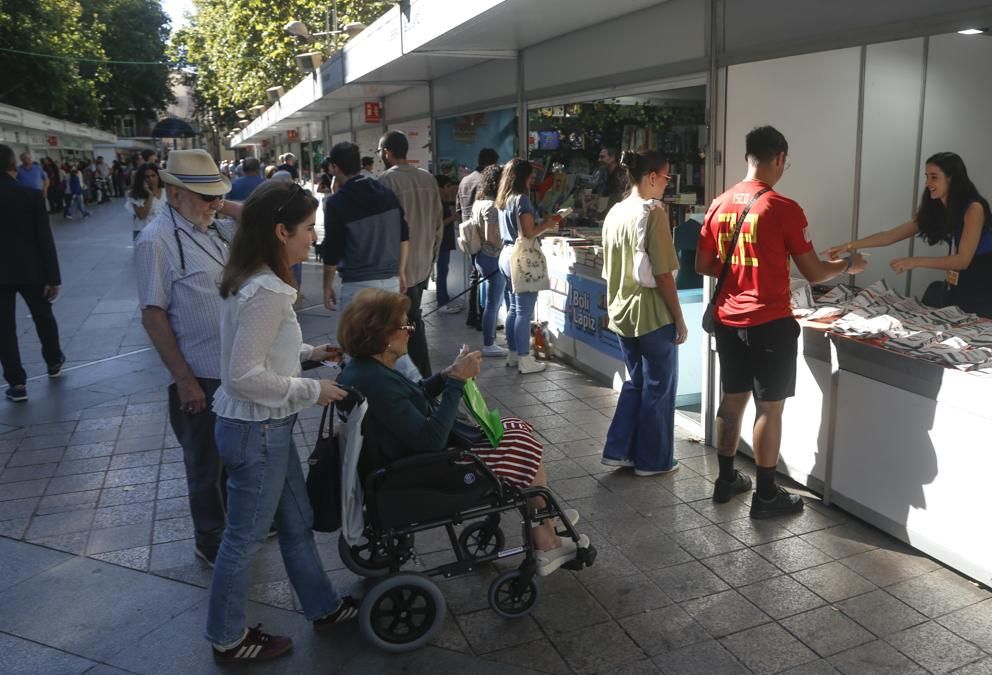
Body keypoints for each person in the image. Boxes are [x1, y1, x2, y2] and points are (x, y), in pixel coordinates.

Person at [205, 181, 357, 663]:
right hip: (259, 432)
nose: (314, 236)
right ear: (280, 231)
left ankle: (323, 607)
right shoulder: (268, 290)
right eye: (308, 228)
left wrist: (311, 354)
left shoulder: (252, 277)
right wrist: (313, 390)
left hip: (266, 428)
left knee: (296, 522)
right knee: (244, 538)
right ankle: (228, 639)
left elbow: (261, 351)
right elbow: (243, 376)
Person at [336, 289, 588, 574]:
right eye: (405, 327)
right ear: (383, 336)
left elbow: (412, 397)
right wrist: (456, 382)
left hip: (409, 457)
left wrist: (446, 375)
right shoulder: (378, 382)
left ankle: (545, 520)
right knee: (520, 443)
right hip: (426, 467)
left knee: (516, 429)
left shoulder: (366, 370)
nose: (411, 332)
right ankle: (546, 539)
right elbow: (431, 440)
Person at [697, 126, 866, 519]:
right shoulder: (783, 207)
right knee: (769, 409)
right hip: (769, 322)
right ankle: (767, 495)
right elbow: (814, 272)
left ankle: (726, 480)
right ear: (779, 158)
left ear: (747, 157)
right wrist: (847, 264)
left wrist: (741, 271)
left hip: (728, 319)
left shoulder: (719, 204)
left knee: (732, 398)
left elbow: (704, 264)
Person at [134, 149, 237, 566]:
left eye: (217, 195)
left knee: (231, 458)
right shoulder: (156, 240)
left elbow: (262, 216)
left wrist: (216, 202)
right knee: (204, 465)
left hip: (233, 370)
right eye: (205, 196)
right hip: (201, 374)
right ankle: (210, 539)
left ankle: (233, 528)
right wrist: (185, 380)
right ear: (174, 193)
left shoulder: (213, 227)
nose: (214, 204)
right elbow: (153, 315)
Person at [825, 152, 992, 322]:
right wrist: (849, 245)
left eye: (934, 177)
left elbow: (962, 260)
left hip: (988, 284)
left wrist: (915, 261)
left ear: (952, 178)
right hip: (961, 283)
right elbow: (889, 236)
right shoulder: (936, 209)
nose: (928, 183)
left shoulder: (974, 208)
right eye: (927, 177)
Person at [600, 150, 687, 477]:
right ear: (652, 177)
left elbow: (609, 269)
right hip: (652, 314)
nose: (667, 183)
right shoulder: (653, 213)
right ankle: (654, 460)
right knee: (659, 388)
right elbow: (663, 274)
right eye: (666, 177)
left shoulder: (615, 212)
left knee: (637, 382)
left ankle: (619, 450)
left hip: (622, 311)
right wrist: (679, 318)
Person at [0, 144, 66, 402]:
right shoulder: (31, 196)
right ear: (14, 167)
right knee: (43, 316)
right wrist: (53, 277)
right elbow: (44, 239)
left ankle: (17, 383)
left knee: (4, 328)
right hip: (32, 269)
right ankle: (53, 361)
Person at [377, 130, 441, 377]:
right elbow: (438, 225)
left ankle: (415, 377)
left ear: (387, 152)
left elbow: (384, 230)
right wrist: (432, 259)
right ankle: (423, 376)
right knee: (413, 319)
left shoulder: (386, 181)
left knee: (401, 324)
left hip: (399, 269)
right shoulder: (428, 179)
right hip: (422, 263)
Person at [496, 158, 568, 375]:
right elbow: (529, 232)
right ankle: (524, 358)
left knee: (514, 309)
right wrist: (549, 223)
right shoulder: (522, 200)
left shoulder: (504, 199)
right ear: (523, 177)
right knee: (524, 311)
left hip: (506, 255)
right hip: (522, 258)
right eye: (531, 174)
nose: (534, 177)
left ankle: (513, 354)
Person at [320, 142, 408, 313]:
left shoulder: (337, 202)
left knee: (356, 331)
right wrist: (401, 271)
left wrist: (327, 286)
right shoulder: (387, 194)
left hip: (358, 287)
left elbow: (332, 250)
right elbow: (404, 236)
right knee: (388, 330)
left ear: (334, 167)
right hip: (391, 283)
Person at [459, 148, 500, 329]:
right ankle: (483, 317)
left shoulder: (465, 180)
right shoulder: (485, 182)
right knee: (483, 279)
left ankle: (473, 315)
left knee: (475, 275)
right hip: (484, 235)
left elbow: (458, 208)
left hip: (469, 234)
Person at [470, 165, 507, 357]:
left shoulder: (479, 202)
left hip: (481, 256)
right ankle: (489, 343)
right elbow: (490, 236)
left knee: (489, 303)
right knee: (494, 304)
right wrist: (507, 246)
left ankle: (489, 340)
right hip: (493, 257)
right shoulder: (492, 206)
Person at [434, 174, 463, 313]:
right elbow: (438, 224)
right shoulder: (437, 202)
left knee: (443, 270)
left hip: (445, 241)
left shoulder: (442, 201)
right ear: (441, 187)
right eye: (448, 186)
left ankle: (444, 298)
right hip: (442, 241)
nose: (450, 189)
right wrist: (454, 217)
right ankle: (442, 301)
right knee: (442, 271)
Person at [126, 163, 164, 241]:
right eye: (147, 177)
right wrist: (150, 195)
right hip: (144, 234)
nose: (151, 179)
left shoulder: (166, 192)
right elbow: (142, 215)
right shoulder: (136, 194)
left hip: (164, 233)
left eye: (153, 175)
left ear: (158, 176)